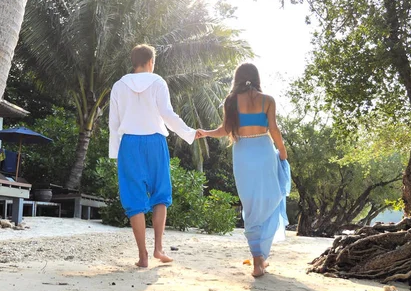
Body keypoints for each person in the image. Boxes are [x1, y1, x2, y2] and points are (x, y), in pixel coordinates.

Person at [196, 63, 290, 277]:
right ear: (256, 78)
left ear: (237, 79)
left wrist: (206, 133)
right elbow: (273, 129)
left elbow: (224, 130)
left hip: (243, 153)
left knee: (249, 204)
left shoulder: (231, 101)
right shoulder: (268, 100)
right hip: (265, 150)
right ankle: (261, 258)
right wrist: (282, 151)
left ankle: (257, 260)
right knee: (270, 199)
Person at [109, 44, 196, 268]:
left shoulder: (119, 86)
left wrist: (116, 153)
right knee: (160, 194)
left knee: (134, 198)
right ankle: (158, 248)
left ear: (133, 61)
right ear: (151, 62)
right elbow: (168, 114)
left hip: (129, 143)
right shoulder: (158, 82)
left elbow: (114, 123)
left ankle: (143, 256)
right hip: (155, 142)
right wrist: (190, 133)